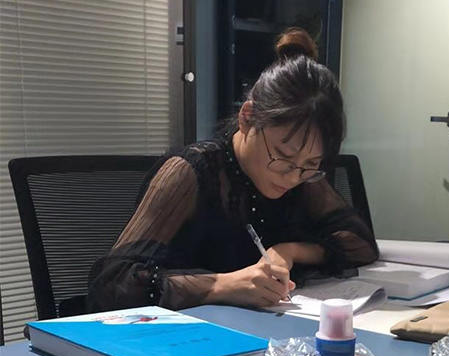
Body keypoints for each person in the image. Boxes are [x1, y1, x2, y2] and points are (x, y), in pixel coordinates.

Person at [87, 28, 378, 312]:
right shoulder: (189, 172)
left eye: (311, 164)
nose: (292, 177)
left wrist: (290, 251)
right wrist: (220, 285)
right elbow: (111, 284)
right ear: (247, 118)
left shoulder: (300, 175)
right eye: (283, 156)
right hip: (185, 335)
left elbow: (362, 243)